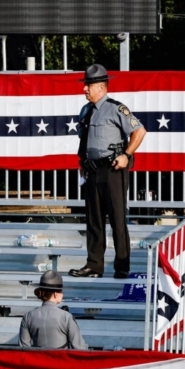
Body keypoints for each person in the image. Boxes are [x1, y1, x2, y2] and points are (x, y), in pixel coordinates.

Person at [70, 64, 147, 279]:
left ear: (102, 88)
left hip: (112, 170)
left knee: (117, 218)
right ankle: (94, 264)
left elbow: (139, 131)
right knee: (94, 220)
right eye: (85, 85)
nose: (85, 89)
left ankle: (122, 266)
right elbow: (85, 141)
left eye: (89, 85)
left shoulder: (116, 108)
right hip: (92, 171)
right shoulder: (85, 111)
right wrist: (83, 163)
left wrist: (126, 155)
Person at [19, 270, 87, 349]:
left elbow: (23, 349)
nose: (62, 294)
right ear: (55, 294)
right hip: (60, 360)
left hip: (37, 360)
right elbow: (79, 348)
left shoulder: (28, 316)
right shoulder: (66, 317)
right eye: (61, 291)